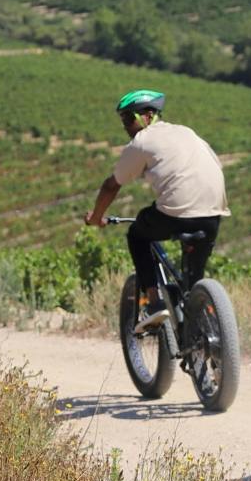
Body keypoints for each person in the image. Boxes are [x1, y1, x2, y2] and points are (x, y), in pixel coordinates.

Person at [84, 89, 229, 331]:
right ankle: (204, 333)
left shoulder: (141, 141)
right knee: (193, 284)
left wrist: (97, 218)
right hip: (213, 213)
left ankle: (154, 302)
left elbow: (111, 185)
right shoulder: (186, 132)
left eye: (128, 119)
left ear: (148, 116)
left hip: (176, 215)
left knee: (137, 234)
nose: (126, 127)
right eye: (124, 121)